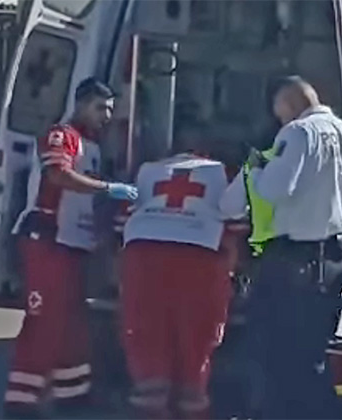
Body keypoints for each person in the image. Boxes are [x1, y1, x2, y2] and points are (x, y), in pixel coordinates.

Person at [221, 75, 342, 419]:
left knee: (276, 358)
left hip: (294, 264)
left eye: (279, 113)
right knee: (316, 355)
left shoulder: (299, 133)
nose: (279, 121)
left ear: (290, 104)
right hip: (338, 262)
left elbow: (274, 190)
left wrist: (256, 168)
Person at [3, 78, 138, 419]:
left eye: (109, 109)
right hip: (48, 240)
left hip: (73, 246)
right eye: (100, 107)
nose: (106, 115)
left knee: (73, 323)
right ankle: (20, 403)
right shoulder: (63, 136)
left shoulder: (92, 146)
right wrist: (107, 188)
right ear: (81, 103)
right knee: (43, 322)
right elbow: (58, 176)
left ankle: (71, 395)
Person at [120, 122, 232, 419]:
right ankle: (191, 405)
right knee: (195, 337)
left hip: (143, 253)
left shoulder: (148, 170)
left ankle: (151, 406)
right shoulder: (222, 173)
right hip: (199, 256)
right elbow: (236, 225)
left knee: (147, 332)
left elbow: (123, 217)